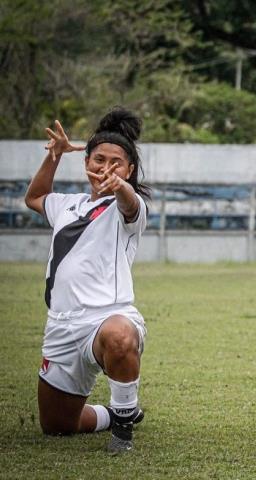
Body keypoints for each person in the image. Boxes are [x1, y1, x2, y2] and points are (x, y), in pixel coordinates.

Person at [24, 107, 150, 454]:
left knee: (120, 336)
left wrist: (121, 187)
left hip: (106, 321)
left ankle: (122, 433)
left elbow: (129, 202)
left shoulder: (128, 210)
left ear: (129, 170)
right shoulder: (68, 205)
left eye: (116, 163)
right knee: (58, 426)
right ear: (86, 163)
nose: (105, 168)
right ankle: (118, 414)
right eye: (98, 160)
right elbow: (34, 197)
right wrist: (54, 156)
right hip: (61, 326)